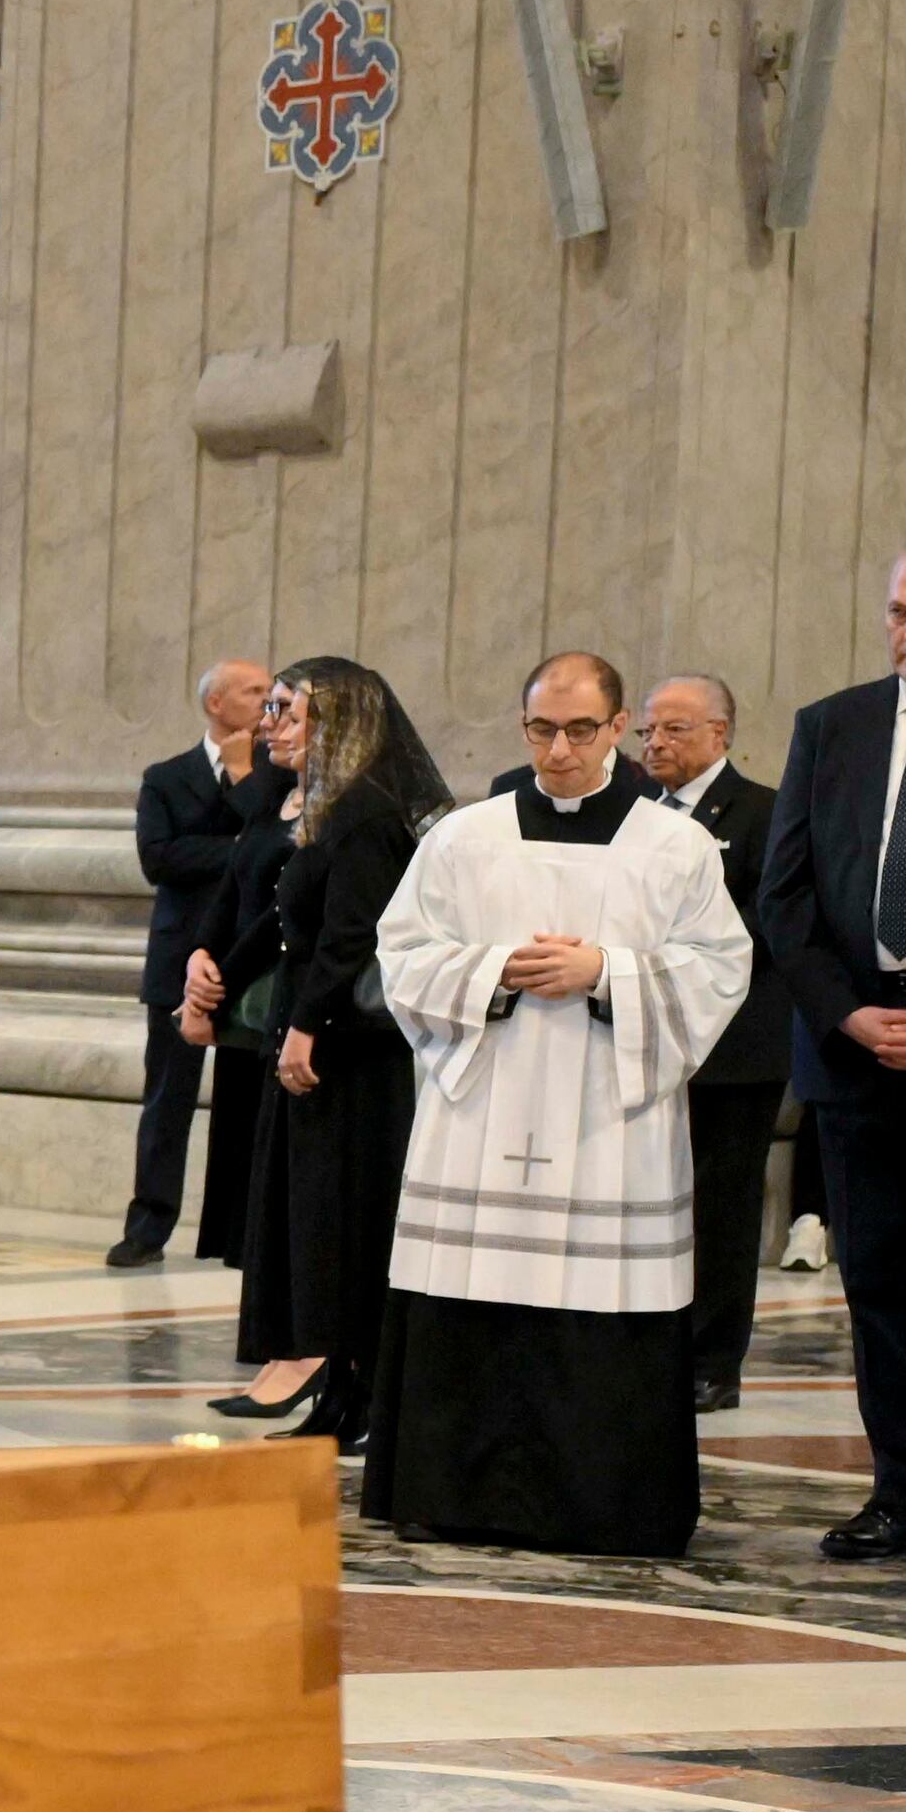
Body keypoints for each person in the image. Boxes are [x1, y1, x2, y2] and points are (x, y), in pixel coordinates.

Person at [347, 653, 756, 1555]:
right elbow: (402, 953)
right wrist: (495, 970)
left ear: (618, 730)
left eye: (580, 730)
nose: (559, 750)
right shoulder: (465, 838)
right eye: (541, 729)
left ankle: (604, 1507)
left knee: (597, 1307)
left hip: (609, 1117)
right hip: (484, 1109)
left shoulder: (674, 846)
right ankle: (454, 1494)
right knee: (473, 1300)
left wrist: (605, 971)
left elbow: (724, 968)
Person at [758, 533, 906, 1563]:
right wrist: (847, 1017)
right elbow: (782, 899)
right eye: (896, 611)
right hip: (854, 1050)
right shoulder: (831, 727)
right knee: (877, 1286)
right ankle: (899, 1495)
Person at [262, 656, 455, 1451]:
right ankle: (338, 1392)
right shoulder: (331, 807)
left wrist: (306, 1025)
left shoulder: (367, 814)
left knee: (354, 1223)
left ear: (338, 721)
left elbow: (351, 937)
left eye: (289, 710)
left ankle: (373, 1395)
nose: (272, 723)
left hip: (352, 1050)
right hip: (320, 1037)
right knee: (319, 1228)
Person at [633, 675, 785, 1410]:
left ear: (720, 734)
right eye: (650, 732)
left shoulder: (764, 812)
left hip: (734, 1044)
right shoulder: (633, 815)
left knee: (720, 1206)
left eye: (676, 730)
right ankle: (648, 1342)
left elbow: (766, 922)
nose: (656, 743)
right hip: (644, 1035)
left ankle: (713, 1359)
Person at [190, 670, 316, 1411]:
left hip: (283, 1004)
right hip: (244, 1011)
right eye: (268, 709)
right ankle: (263, 1331)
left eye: (286, 711)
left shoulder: (339, 808)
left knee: (281, 1179)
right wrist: (198, 964)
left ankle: (294, 1342)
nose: (270, 724)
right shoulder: (273, 789)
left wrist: (221, 980)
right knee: (246, 1177)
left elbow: (283, 912)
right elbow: (238, 882)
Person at [121, 660, 272, 1265]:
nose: (267, 701)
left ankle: (245, 1230)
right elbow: (159, 859)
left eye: (270, 692)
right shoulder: (166, 777)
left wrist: (243, 779)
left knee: (249, 1105)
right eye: (254, 691)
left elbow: (279, 846)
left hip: (253, 959)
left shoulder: (276, 774)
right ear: (216, 703)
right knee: (167, 1100)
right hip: (179, 959)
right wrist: (240, 847)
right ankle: (147, 1227)